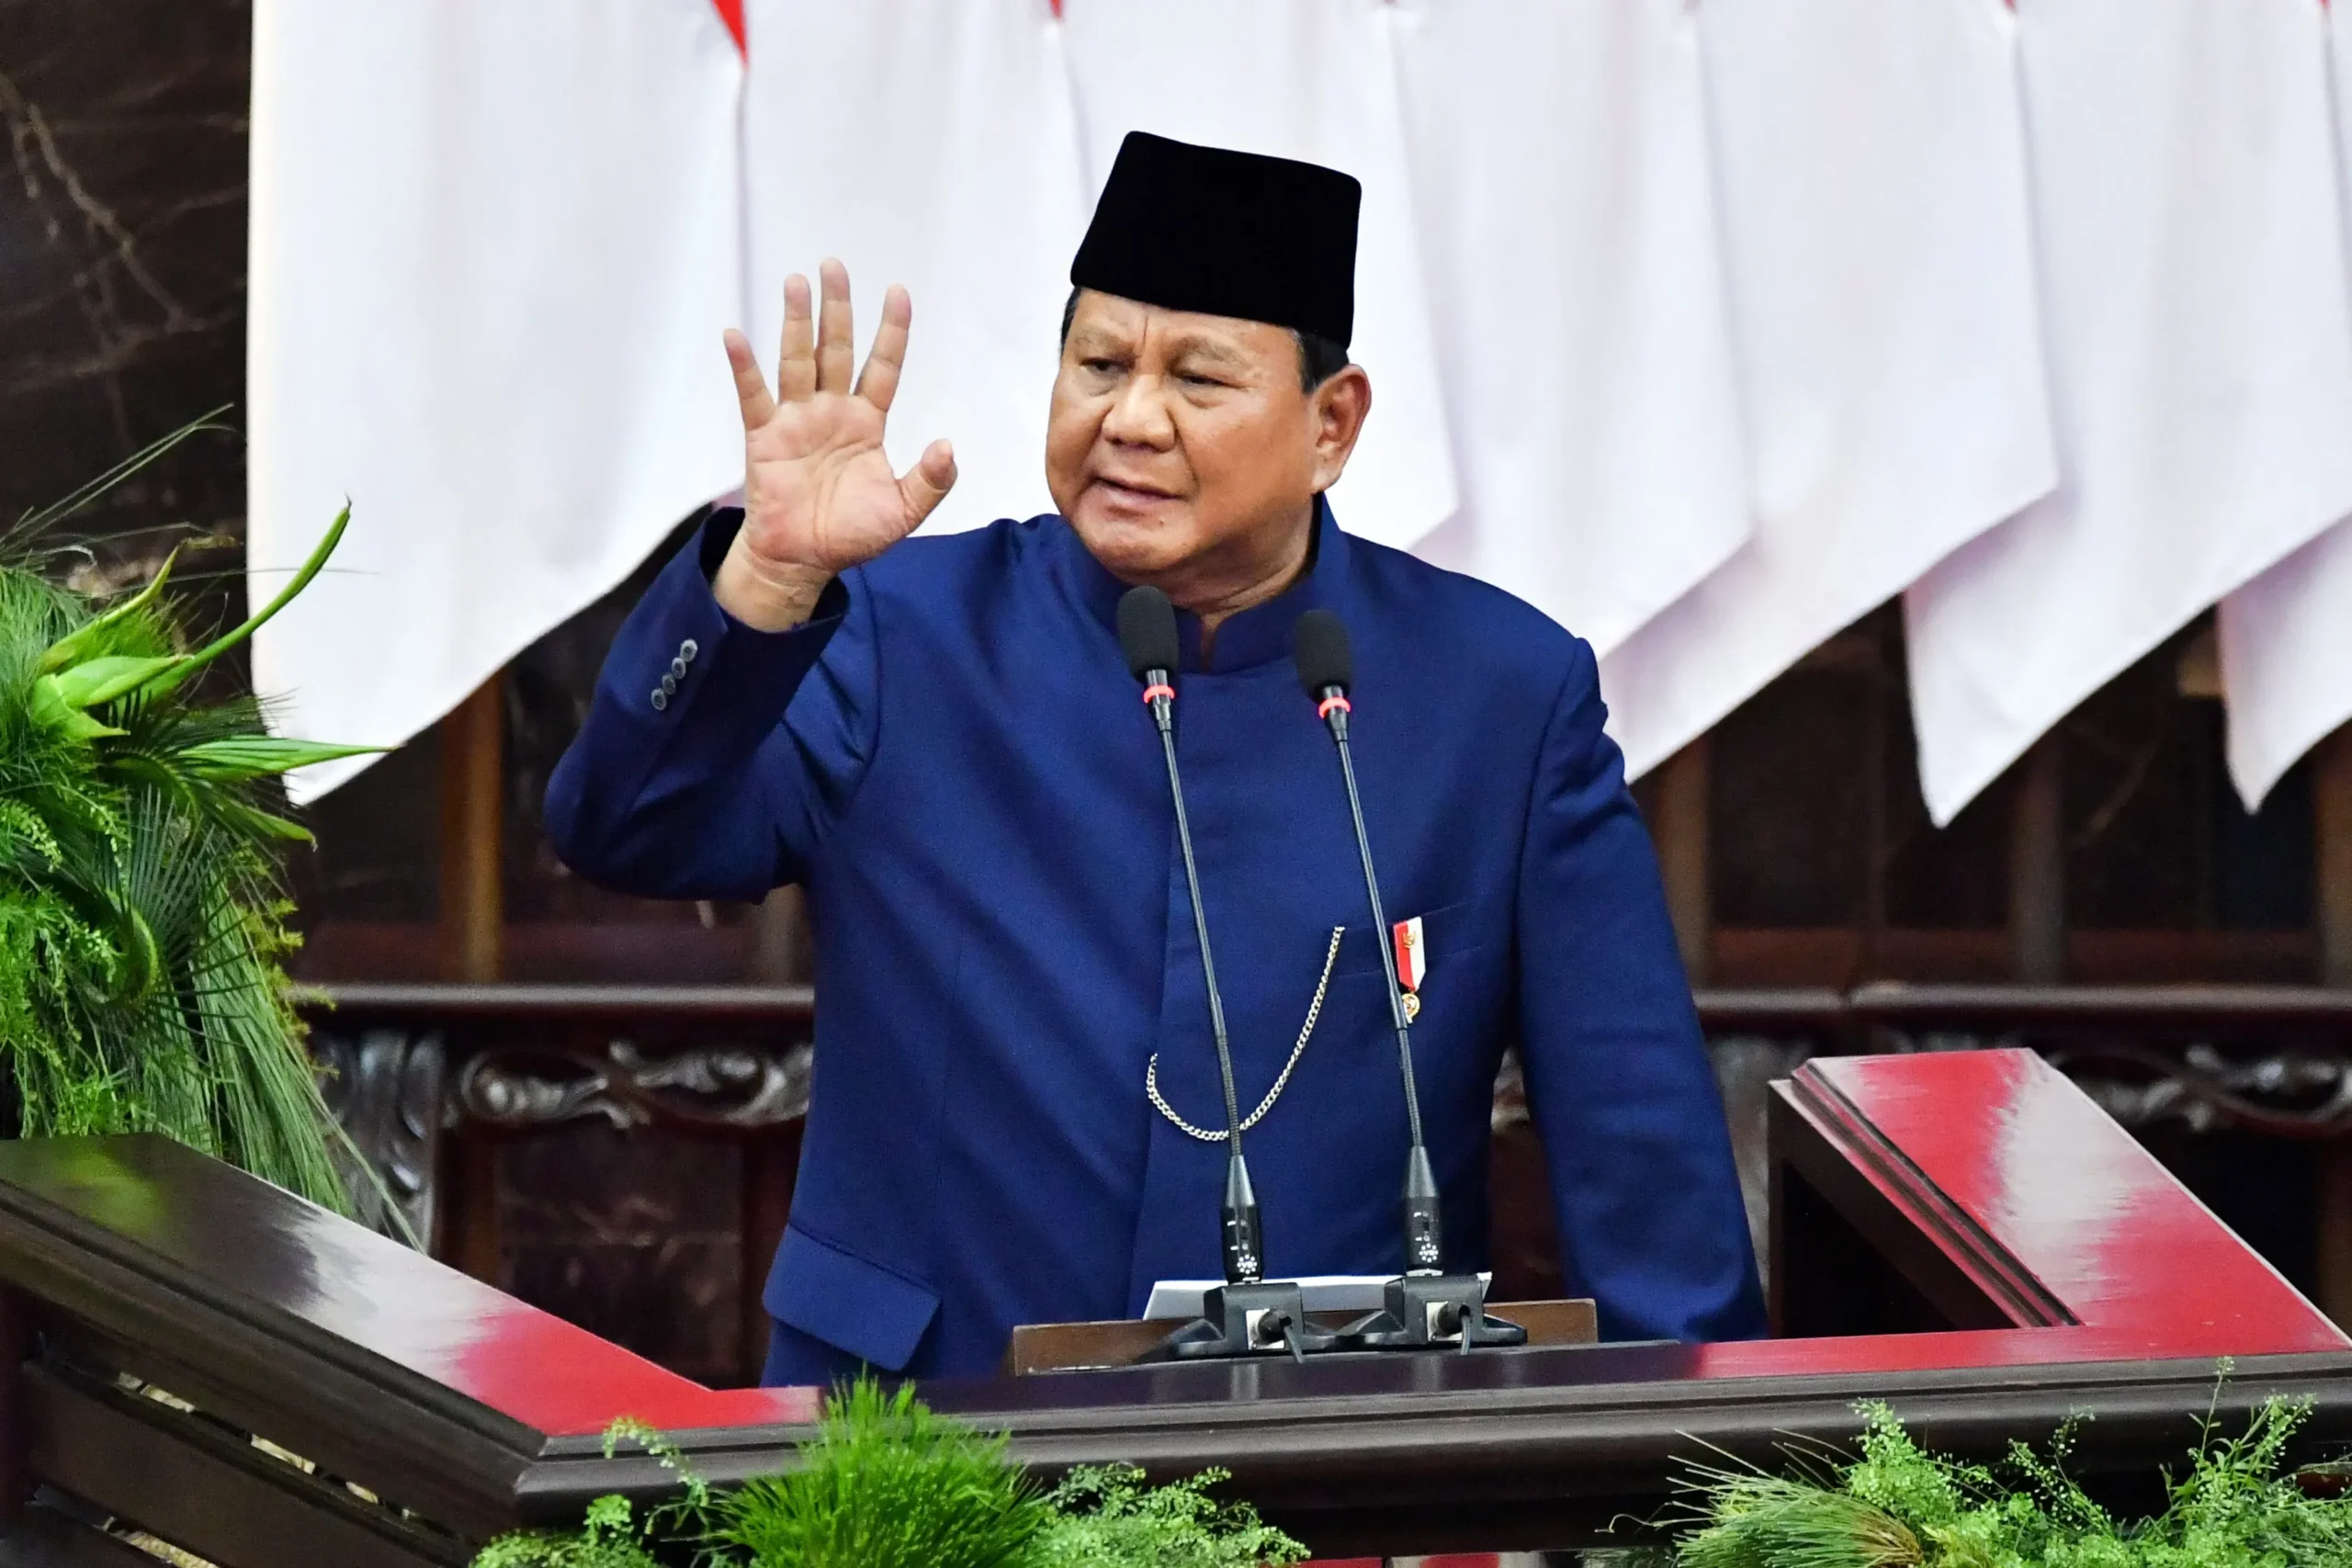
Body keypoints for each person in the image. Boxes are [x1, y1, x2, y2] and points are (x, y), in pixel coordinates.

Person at [548, 131, 1765, 1384]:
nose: (1131, 419)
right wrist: (764, 578)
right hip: (927, 1437)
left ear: (1331, 425)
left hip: (1321, 1466)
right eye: (1098, 363)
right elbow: (624, 824)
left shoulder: (1500, 697)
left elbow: (1643, 1159)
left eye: (1197, 379)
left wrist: (1736, 1492)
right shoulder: (900, 632)